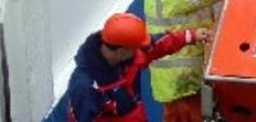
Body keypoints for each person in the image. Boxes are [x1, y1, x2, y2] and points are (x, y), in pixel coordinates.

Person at [67, 12, 211, 122]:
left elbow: (155, 46)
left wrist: (190, 36)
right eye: (135, 48)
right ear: (121, 51)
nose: (139, 50)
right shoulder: (85, 88)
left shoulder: (127, 55)